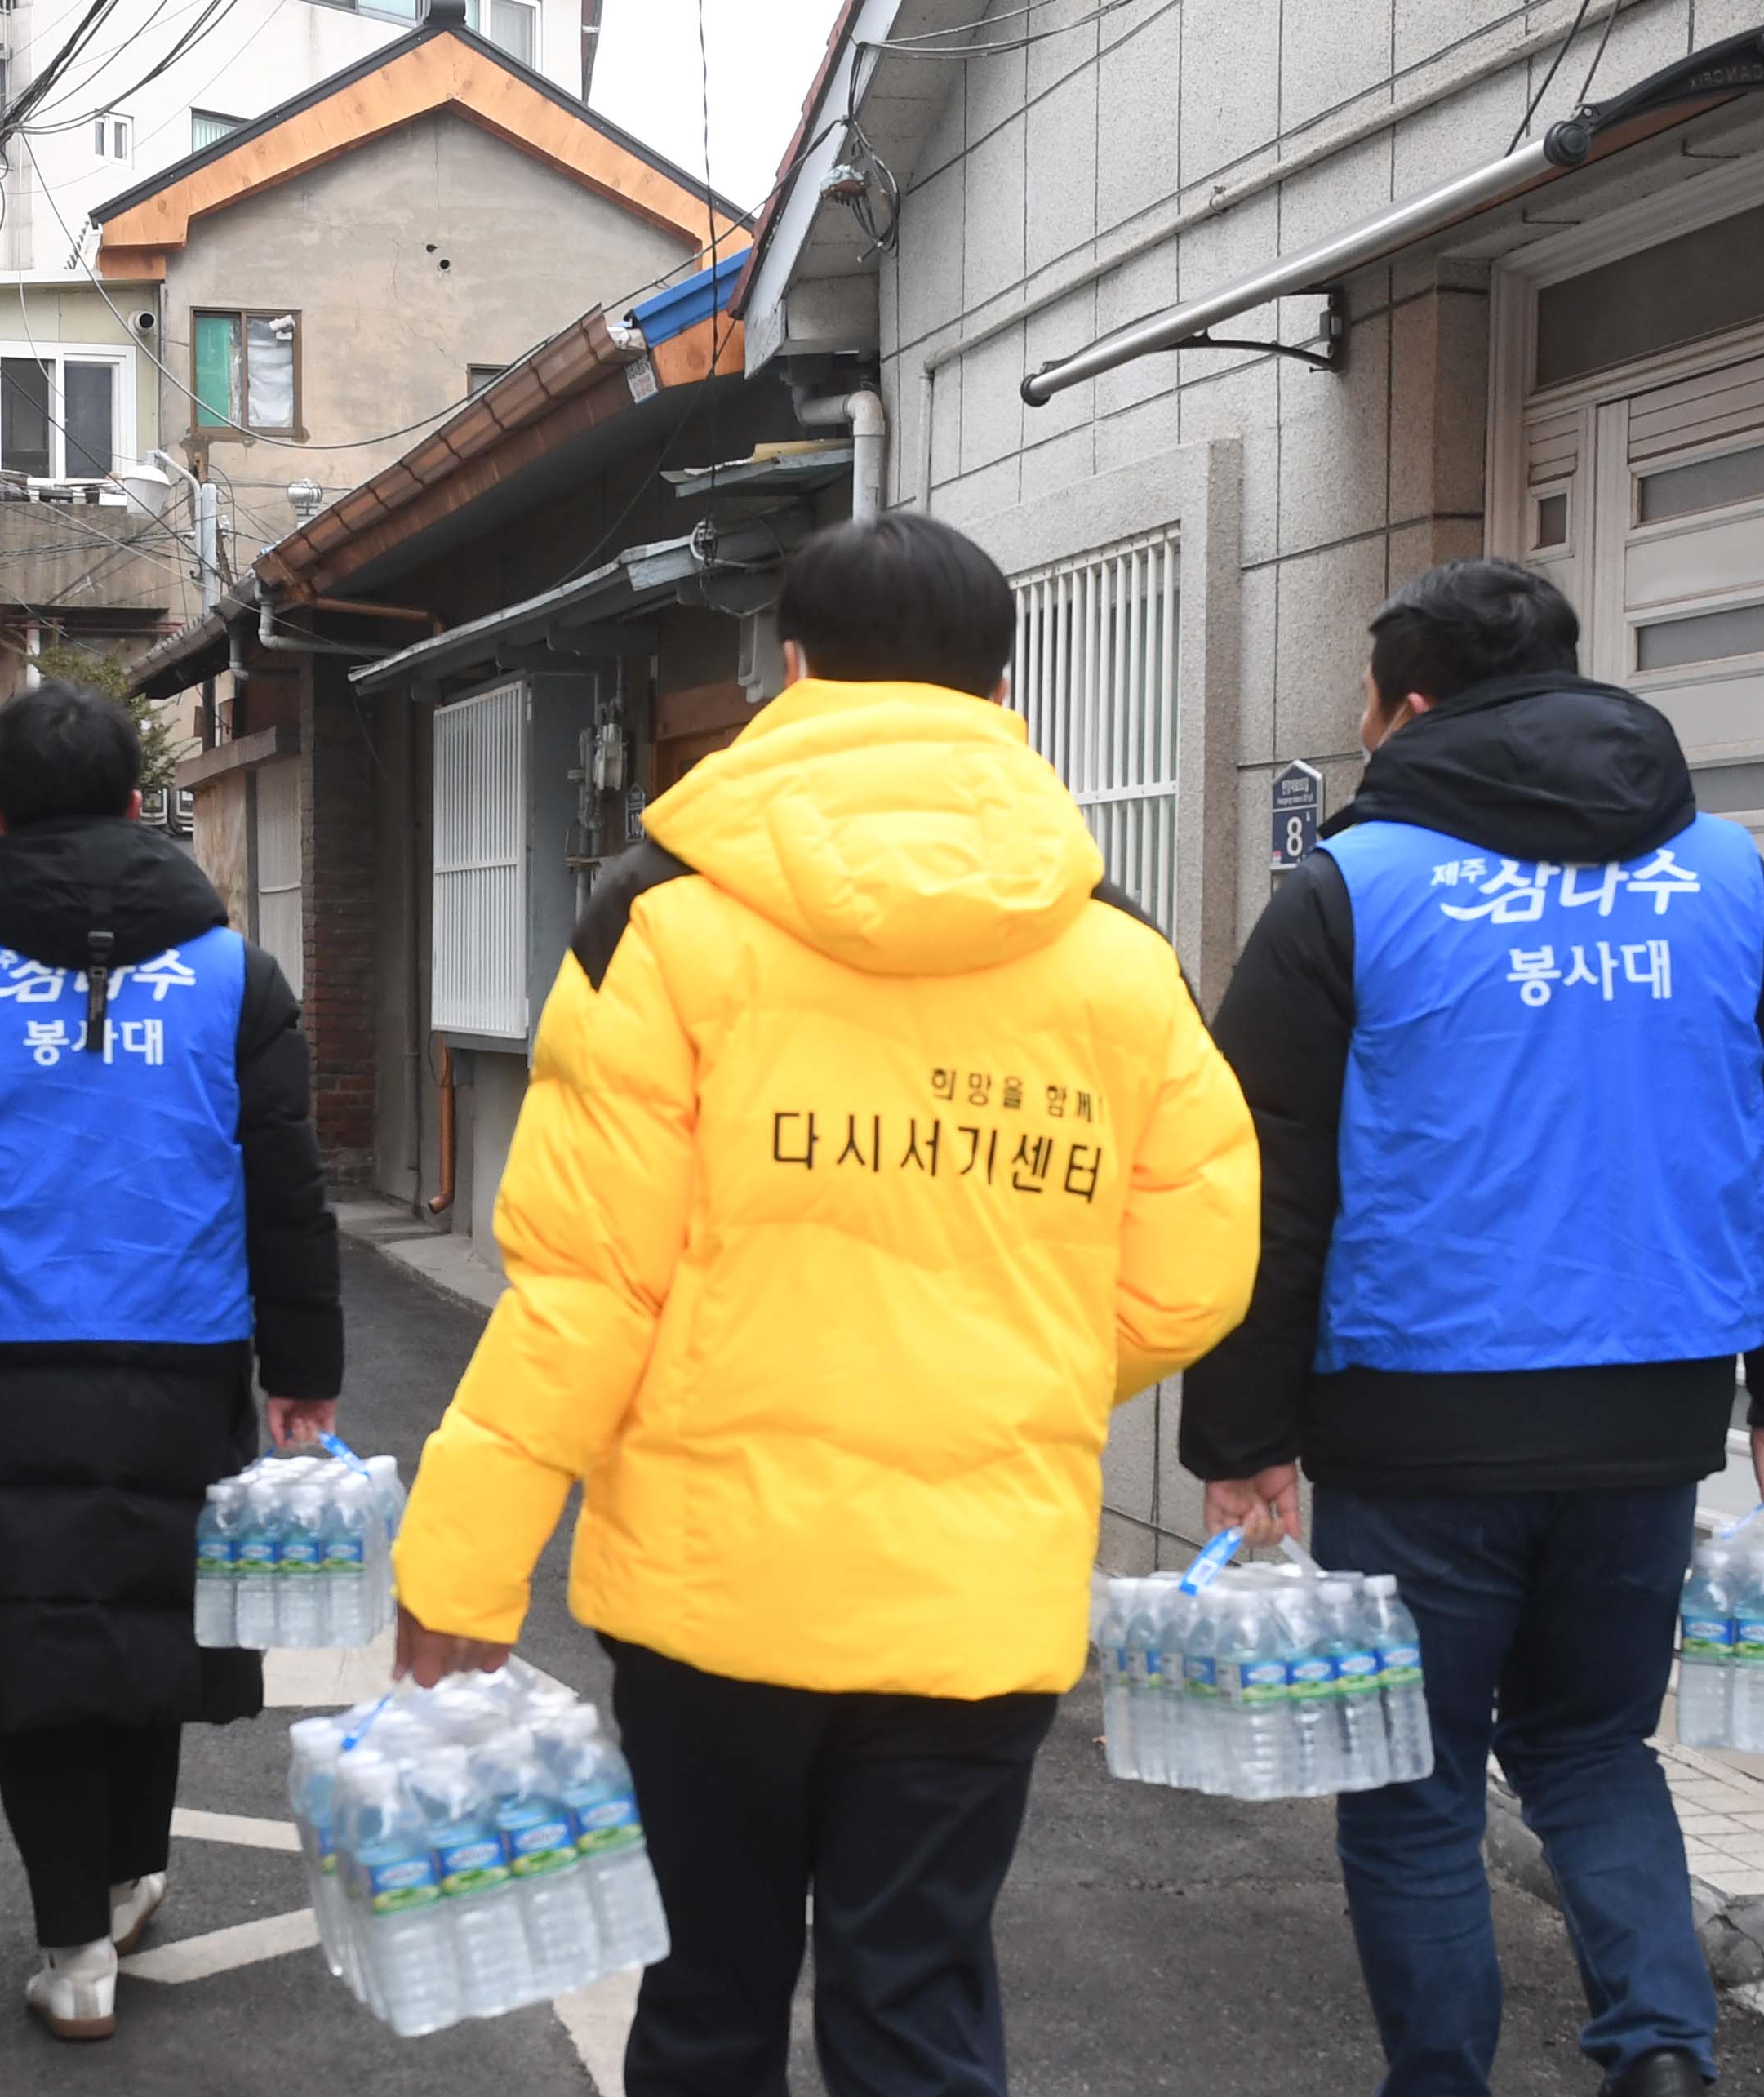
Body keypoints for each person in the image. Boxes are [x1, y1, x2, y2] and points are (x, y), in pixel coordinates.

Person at [384, 512, 1262, 2096]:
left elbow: (583, 1289)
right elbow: (1191, 1272)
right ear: (1005, 692)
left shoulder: (663, 927)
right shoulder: (1116, 960)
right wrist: (1016, 1364)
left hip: (712, 1593)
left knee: (709, 2001)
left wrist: (461, 1563)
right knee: (916, 2010)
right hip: (974, 1597)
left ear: (786, 667)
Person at [1183, 559, 1764, 2097]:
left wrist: (1238, 1436)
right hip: (1650, 1413)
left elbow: (1260, 1184)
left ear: (1410, 705)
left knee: (1414, 1781)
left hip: (1415, 1417)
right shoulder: (1732, 883)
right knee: (1589, 1747)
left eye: (1365, 704)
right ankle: (1661, 2057)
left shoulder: (1352, 892)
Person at [0, 682, 344, 2042]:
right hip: (185, 1357)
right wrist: (304, 1368)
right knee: (150, 1620)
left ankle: (75, 1951)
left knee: (39, 1636)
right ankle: (127, 1872)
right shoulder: (236, 977)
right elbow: (288, 1187)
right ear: (137, 801)